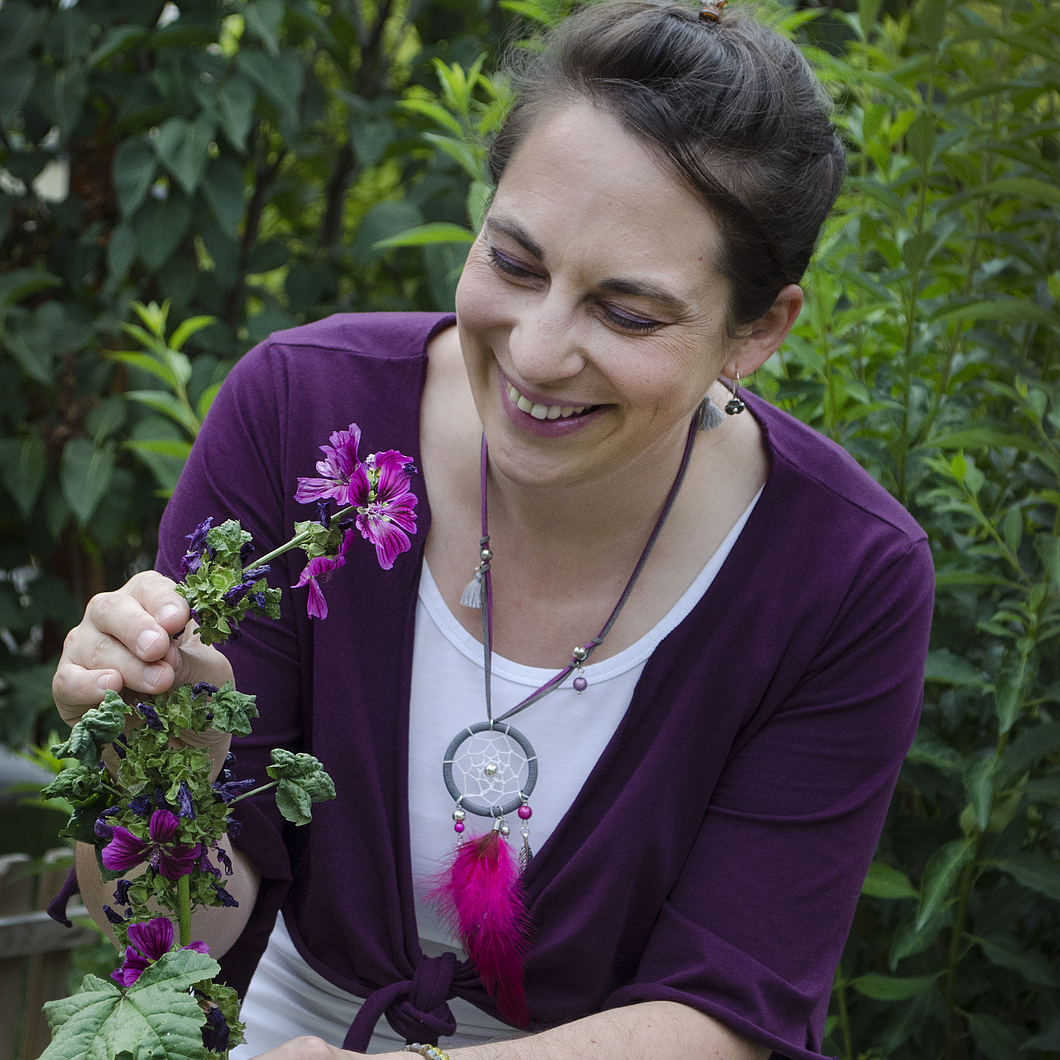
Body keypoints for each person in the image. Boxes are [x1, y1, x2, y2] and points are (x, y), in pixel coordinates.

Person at [51, 2, 935, 1058]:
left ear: (758, 331)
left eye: (628, 313)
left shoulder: (841, 574)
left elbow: (728, 1013)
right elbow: (160, 935)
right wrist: (163, 746)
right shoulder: (297, 412)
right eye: (514, 263)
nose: (539, 350)